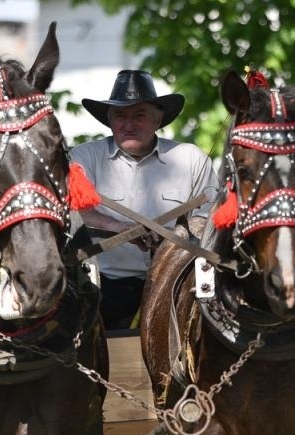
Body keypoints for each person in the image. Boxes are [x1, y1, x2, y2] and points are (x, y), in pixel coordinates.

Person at [69, 69, 214, 329]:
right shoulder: (82, 157)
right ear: (110, 121)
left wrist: (171, 243)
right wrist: (123, 229)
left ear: (158, 120)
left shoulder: (191, 158)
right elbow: (74, 211)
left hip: (177, 286)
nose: (129, 124)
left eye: (139, 115)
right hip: (104, 289)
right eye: (120, 116)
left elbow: (209, 218)